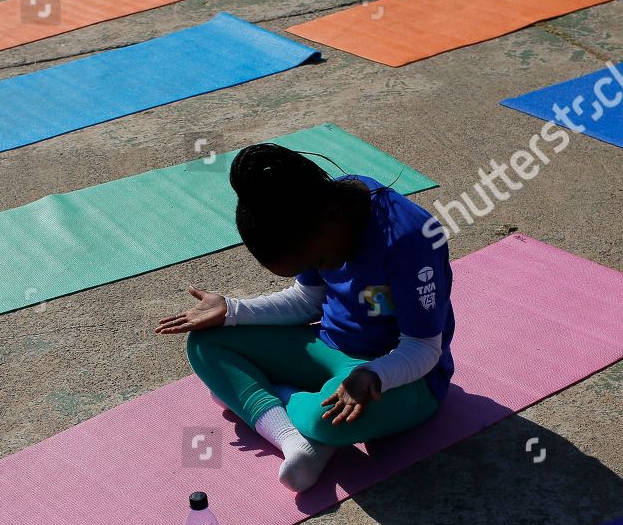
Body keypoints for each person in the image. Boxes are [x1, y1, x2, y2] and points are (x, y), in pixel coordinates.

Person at [157, 143, 455, 491]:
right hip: (328, 349)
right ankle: (293, 440)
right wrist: (234, 310)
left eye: (319, 261)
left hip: (403, 377)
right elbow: (308, 302)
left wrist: (374, 374)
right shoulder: (320, 210)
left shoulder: (411, 240)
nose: (320, 269)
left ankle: (270, 397)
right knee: (205, 343)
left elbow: (422, 348)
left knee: (324, 421)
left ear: (331, 216)